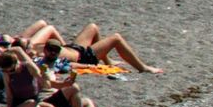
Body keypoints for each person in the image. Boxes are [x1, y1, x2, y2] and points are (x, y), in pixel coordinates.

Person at [0, 48, 82, 107]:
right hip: (18, 106)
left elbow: (45, 84)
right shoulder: (6, 74)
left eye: (11, 70)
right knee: (32, 104)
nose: (9, 72)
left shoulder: (28, 67)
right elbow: (9, 94)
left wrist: (48, 78)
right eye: (6, 71)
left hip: (34, 101)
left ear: (17, 63)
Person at [20, 22, 162, 73]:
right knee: (116, 38)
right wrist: (90, 66)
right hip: (83, 57)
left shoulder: (30, 45)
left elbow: (47, 27)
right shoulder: (39, 59)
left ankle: (107, 59)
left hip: (72, 48)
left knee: (92, 27)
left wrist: (62, 46)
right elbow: (67, 64)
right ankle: (143, 67)